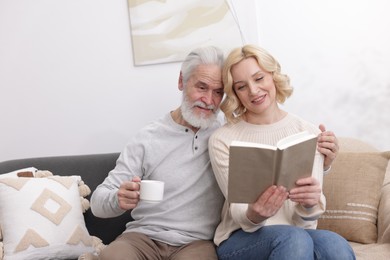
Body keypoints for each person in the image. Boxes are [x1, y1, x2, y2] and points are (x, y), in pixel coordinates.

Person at [82, 46, 340, 260]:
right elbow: (98, 204)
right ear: (182, 81)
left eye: (218, 92)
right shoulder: (149, 138)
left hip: (196, 243)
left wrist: (322, 163)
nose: (208, 100)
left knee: (332, 245)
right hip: (143, 237)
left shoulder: (226, 131)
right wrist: (119, 198)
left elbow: (276, 158)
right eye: (201, 87)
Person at [208, 44, 355, 260]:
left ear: (273, 76)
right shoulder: (223, 139)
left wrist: (310, 203)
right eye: (241, 86)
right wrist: (255, 214)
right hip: (241, 239)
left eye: (259, 78)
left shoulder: (306, 132)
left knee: (335, 244)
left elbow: (307, 223)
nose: (254, 91)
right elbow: (239, 213)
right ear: (235, 93)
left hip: (297, 235)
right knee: (294, 239)